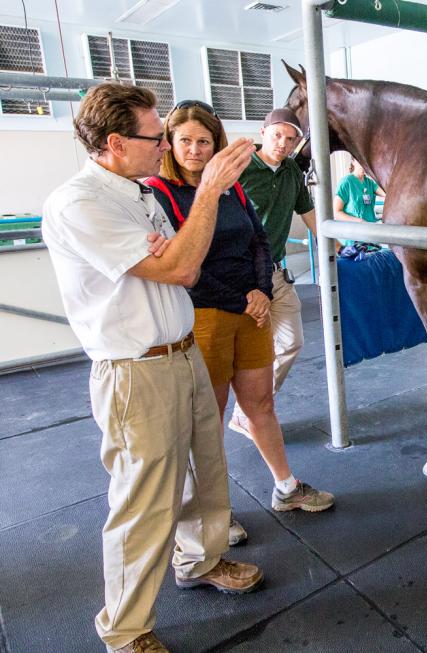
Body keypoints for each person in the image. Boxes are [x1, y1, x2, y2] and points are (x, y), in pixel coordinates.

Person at [42, 83, 262, 653]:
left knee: (206, 471)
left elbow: (184, 269)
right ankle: (126, 626)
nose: (164, 144)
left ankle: (202, 558)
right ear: (114, 142)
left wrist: (190, 231)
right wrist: (210, 189)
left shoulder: (142, 193)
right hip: (135, 371)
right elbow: (180, 262)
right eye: (155, 135)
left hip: (182, 351)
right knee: (143, 499)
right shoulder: (78, 203)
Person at [147, 101, 335, 531]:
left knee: (261, 404)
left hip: (251, 310)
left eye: (204, 141)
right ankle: (215, 512)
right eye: (186, 141)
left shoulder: (233, 188)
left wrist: (261, 289)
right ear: (170, 144)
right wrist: (242, 297)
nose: (195, 149)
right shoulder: (159, 192)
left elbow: (258, 241)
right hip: (207, 314)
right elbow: (184, 268)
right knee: (207, 420)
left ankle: (286, 487)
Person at [228, 108, 315, 438]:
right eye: (277, 135)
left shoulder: (292, 170)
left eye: (290, 138)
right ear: (262, 132)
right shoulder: (242, 167)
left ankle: (247, 411)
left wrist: (338, 241)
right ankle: (251, 412)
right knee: (247, 352)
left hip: (276, 273)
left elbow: (308, 214)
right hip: (243, 275)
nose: (282, 143)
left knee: (290, 341)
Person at [333, 158, 385, 249]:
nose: (363, 163)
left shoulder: (370, 182)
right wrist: (359, 221)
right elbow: (336, 212)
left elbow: (387, 194)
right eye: (359, 159)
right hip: (353, 239)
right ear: (353, 161)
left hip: (370, 237)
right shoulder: (346, 182)